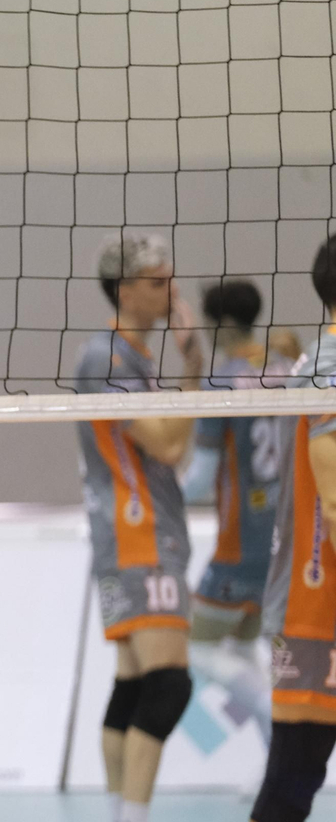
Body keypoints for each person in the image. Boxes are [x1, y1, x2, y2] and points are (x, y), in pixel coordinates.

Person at [71, 233, 204, 822]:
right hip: (138, 535)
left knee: (132, 689)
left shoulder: (133, 360)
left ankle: (117, 812)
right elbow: (173, 446)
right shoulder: (107, 359)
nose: (172, 291)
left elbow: (173, 444)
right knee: (168, 686)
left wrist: (188, 368)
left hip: (133, 536)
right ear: (125, 292)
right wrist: (195, 371)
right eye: (158, 282)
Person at [249, 235, 336, 822]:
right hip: (315, 602)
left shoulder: (313, 358)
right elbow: (333, 493)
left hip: (307, 599)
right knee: (293, 777)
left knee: (296, 774)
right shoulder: (330, 361)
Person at [180, 280, 286, 745]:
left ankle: (270, 706)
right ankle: (271, 769)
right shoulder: (289, 369)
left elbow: (202, 476)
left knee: (196, 648)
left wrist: (167, 495)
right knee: (245, 645)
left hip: (238, 544)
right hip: (285, 540)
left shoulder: (220, 381)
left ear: (220, 324)